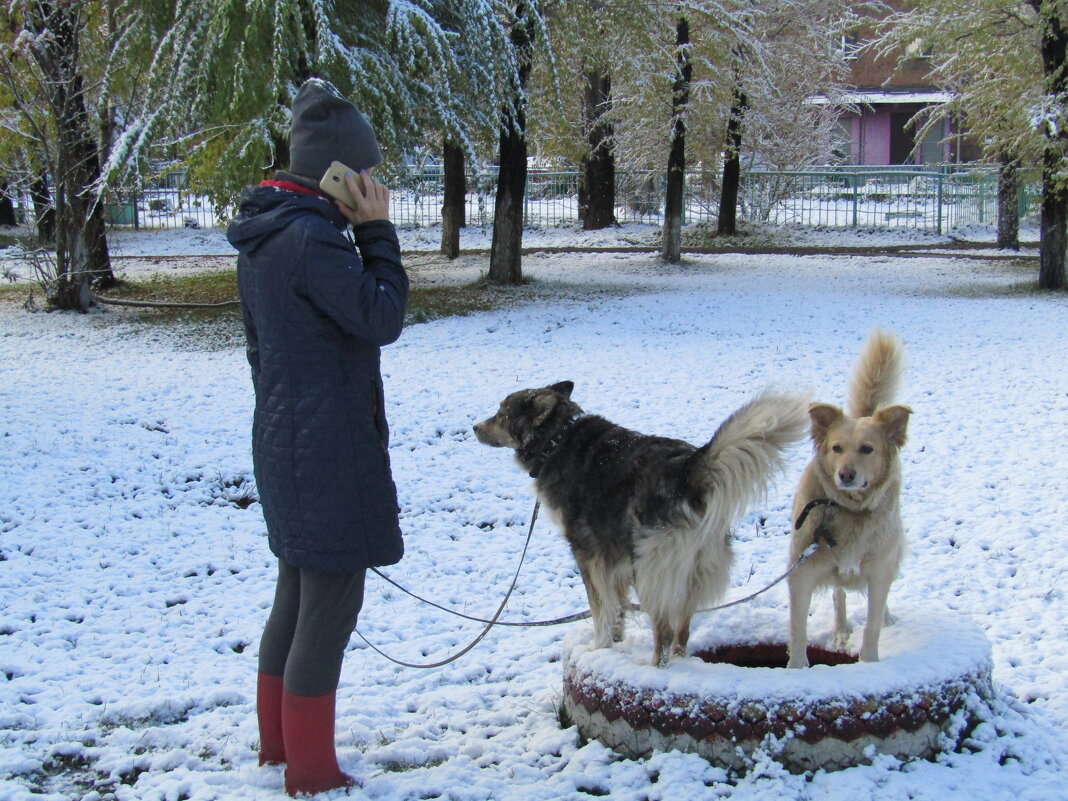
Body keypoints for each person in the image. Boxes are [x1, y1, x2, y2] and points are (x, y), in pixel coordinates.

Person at [226, 77, 408, 797]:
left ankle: (280, 748)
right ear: (335, 172)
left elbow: (257, 353)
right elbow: (382, 314)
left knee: (297, 594)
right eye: (364, 171)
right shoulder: (315, 241)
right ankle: (310, 771)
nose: (373, 182)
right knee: (329, 603)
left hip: (284, 441)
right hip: (326, 451)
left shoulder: (268, 236)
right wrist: (376, 232)